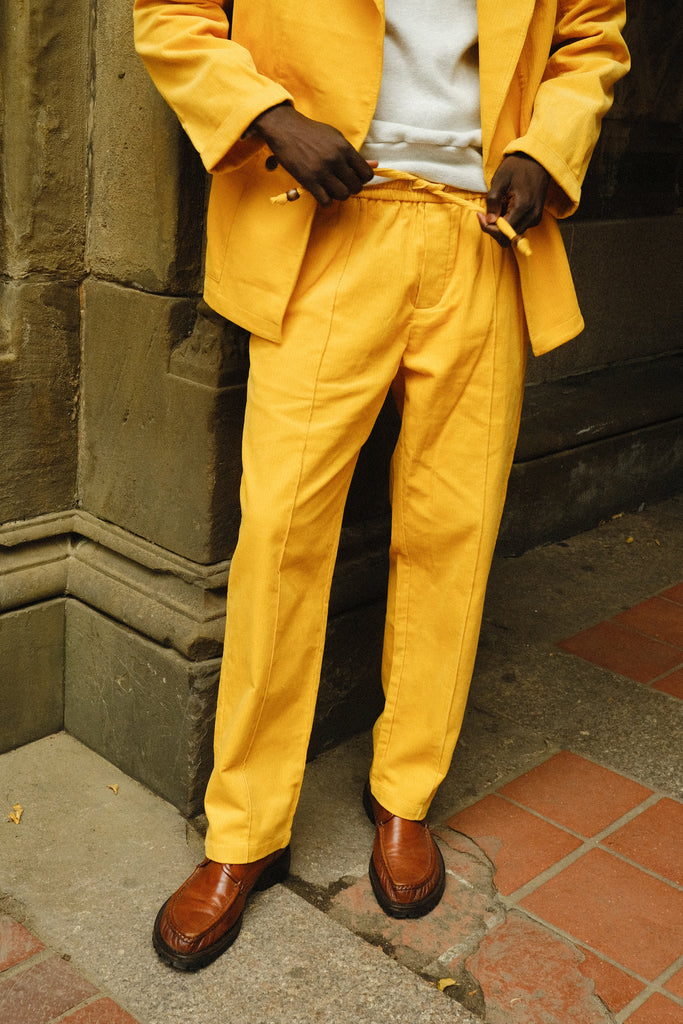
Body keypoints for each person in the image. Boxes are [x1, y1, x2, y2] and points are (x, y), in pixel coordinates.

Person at [133, 0, 629, 972]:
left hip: (483, 233)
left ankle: (404, 793)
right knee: (278, 531)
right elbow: (171, 17)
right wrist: (270, 117)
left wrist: (543, 150)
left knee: (454, 529)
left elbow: (591, 36)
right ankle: (244, 832)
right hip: (324, 221)